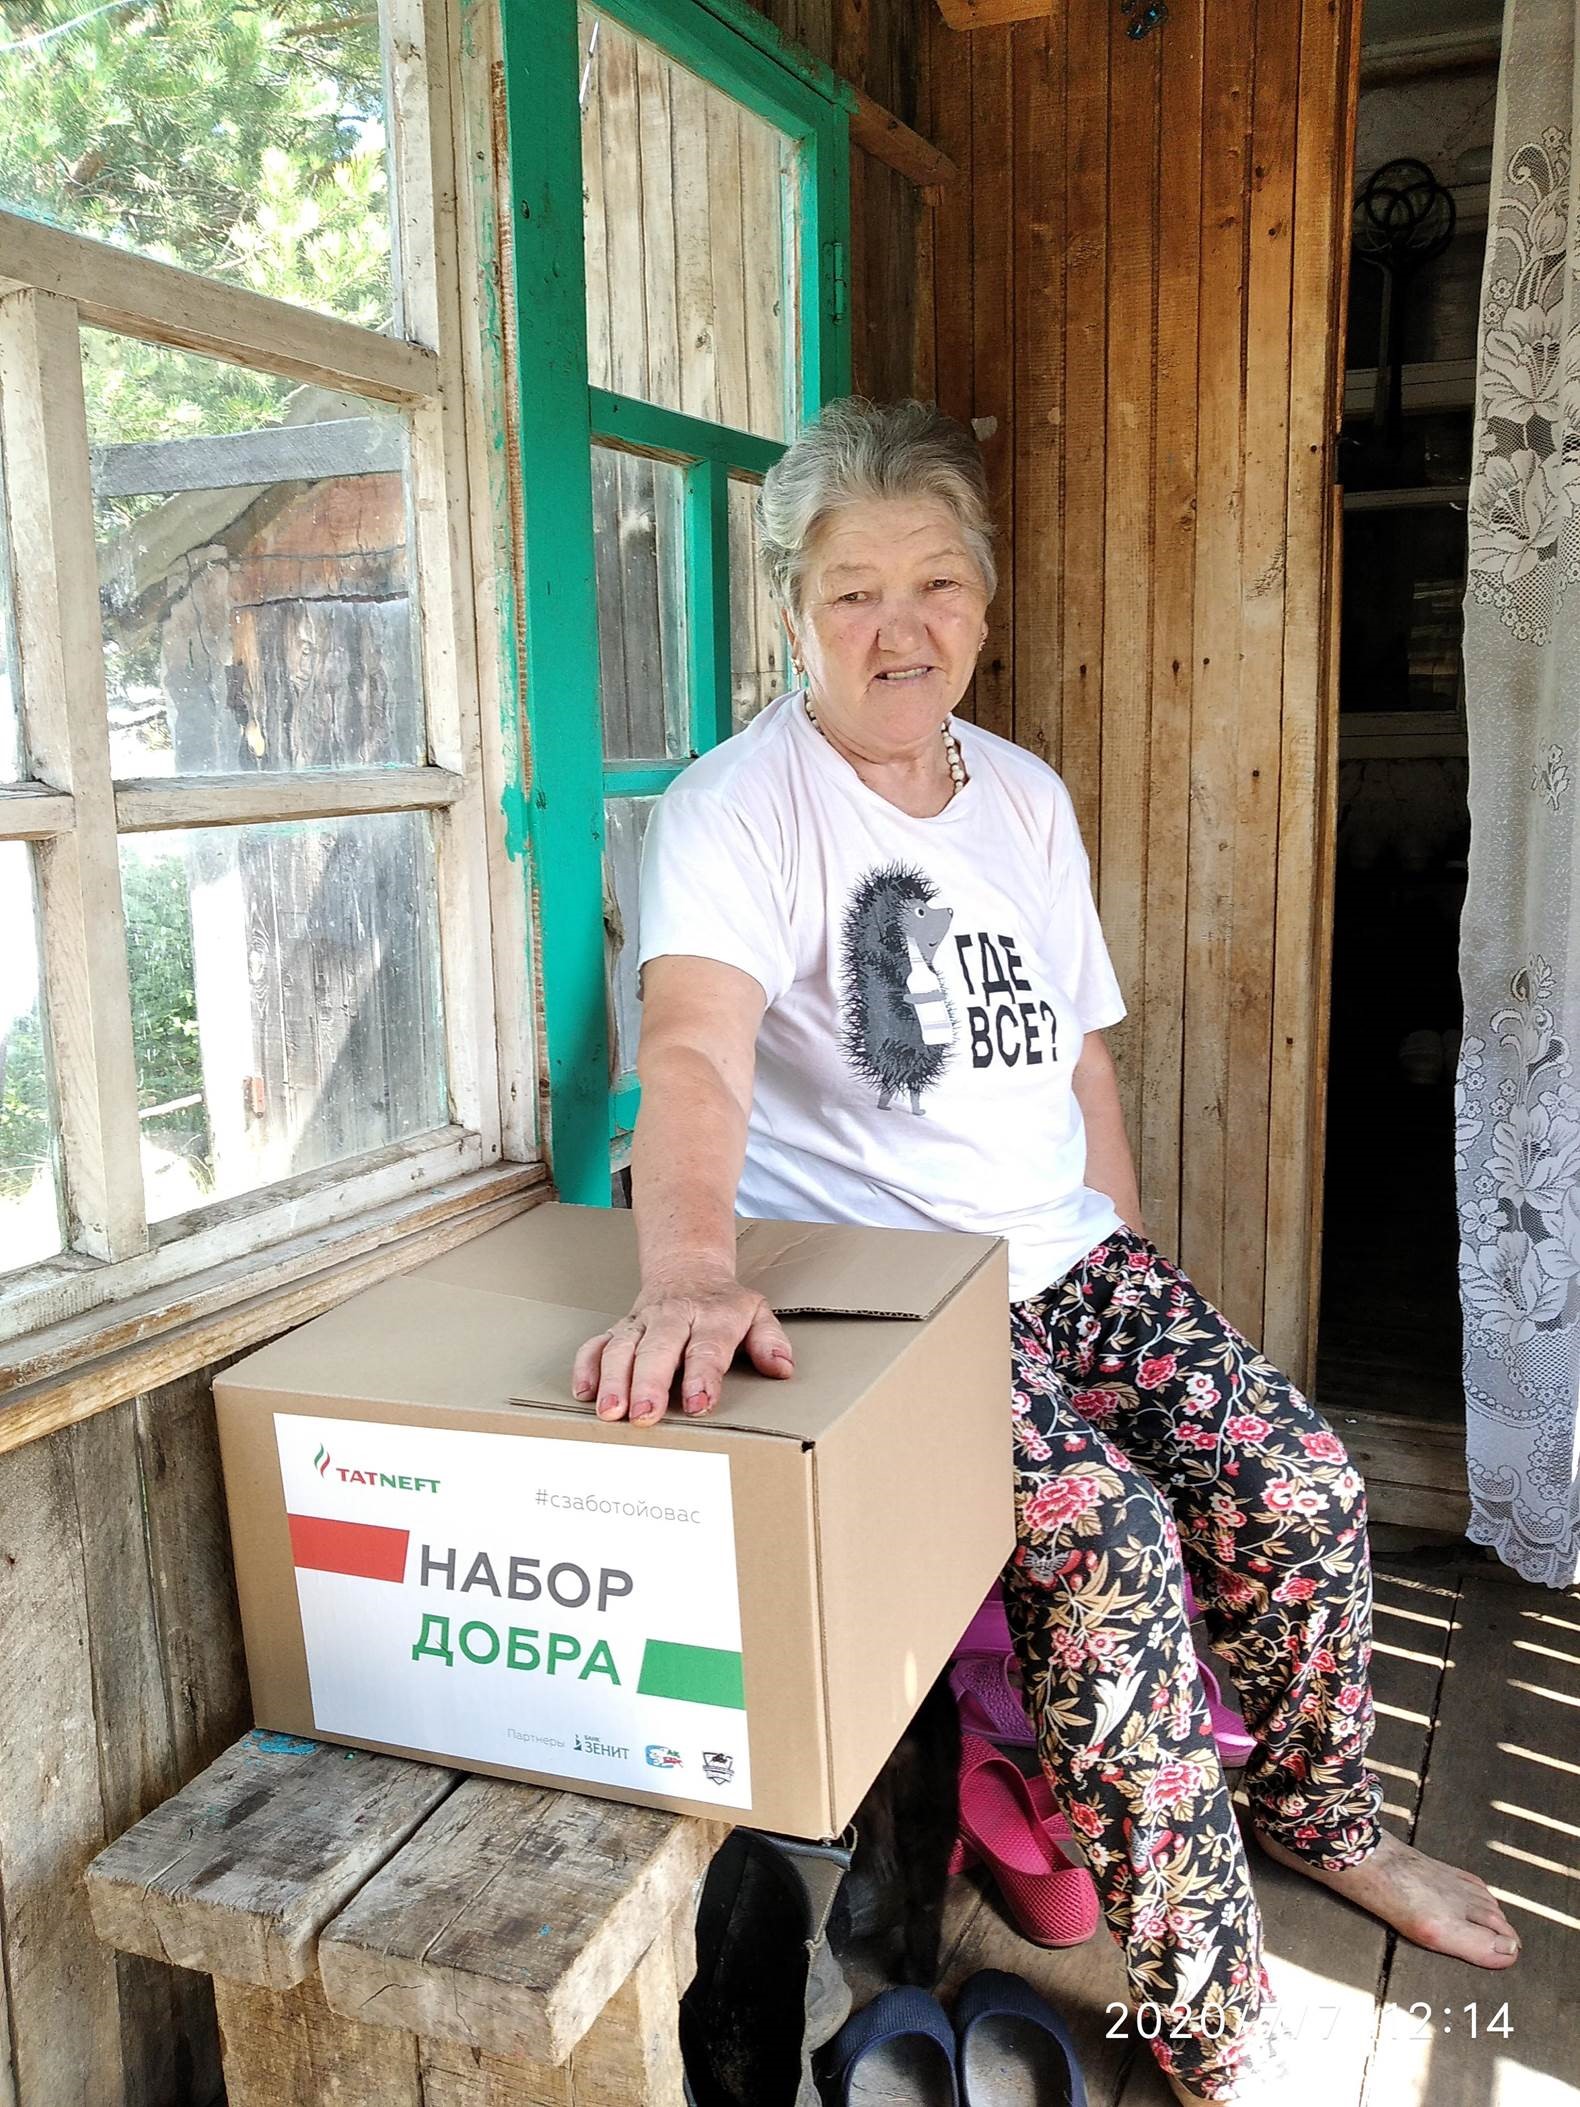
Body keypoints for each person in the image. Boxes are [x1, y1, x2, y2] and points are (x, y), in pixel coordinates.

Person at [570, 397, 1521, 2106]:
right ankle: (1211, 2009)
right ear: (790, 608)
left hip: (1067, 1263)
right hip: (887, 1288)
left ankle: (1321, 1817)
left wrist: (1138, 1274)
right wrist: (691, 1271)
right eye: (854, 592)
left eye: (938, 584)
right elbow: (694, 1053)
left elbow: (1080, 1059)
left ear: (986, 601)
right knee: (1106, 1543)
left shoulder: (1020, 795)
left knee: (1301, 1482)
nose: (901, 629)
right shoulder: (737, 809)